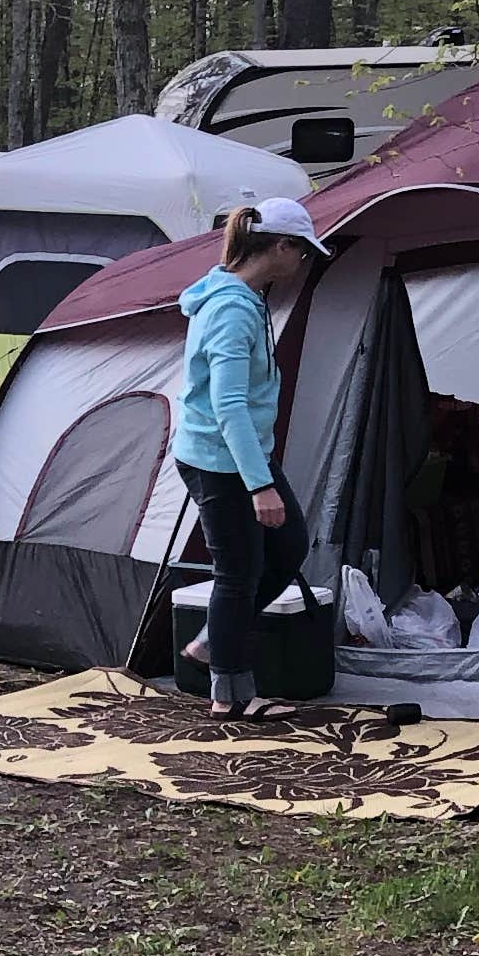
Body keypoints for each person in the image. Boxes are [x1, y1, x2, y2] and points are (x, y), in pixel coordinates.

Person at [173, 194, 322, 717]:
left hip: (240, 453)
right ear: (280, 245)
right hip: (220, 459)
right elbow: (229, 404)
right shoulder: (232, 308)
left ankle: (215, 640)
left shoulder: (246, 296)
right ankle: (230, 695)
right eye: (302, 252)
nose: (304, 262)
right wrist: (259, 485)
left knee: (288, 546)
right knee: (238, 572)